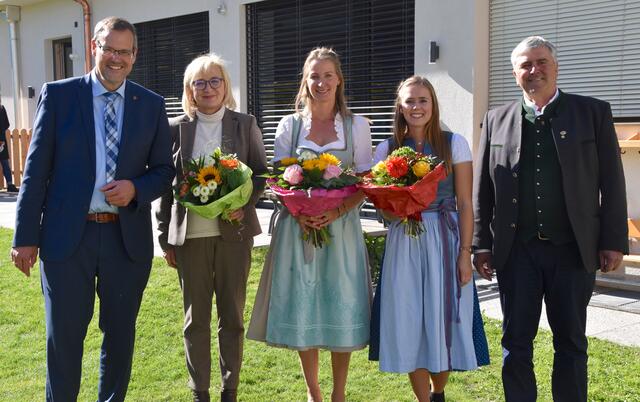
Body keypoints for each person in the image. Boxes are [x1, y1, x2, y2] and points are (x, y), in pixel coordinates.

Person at [10, 17, 174, 401]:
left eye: (124, 51)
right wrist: (24, 236)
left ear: (134, 56)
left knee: (120, 338)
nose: (116, 58)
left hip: (125, 240)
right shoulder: (60, 95)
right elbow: (35, 172)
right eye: (109, 49)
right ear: (94, 48)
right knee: (63, 339)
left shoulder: (150, 105)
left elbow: (165, 171)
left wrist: (135, 188)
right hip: (68, 240)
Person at [473, 36, 628, 402]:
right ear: (515, 74)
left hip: (572, 250)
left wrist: (612, 240)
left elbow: (613, 182)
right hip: (517, 253)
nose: (534, 70)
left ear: (555, 67)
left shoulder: (593, 112)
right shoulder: (497, 119)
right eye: (525, 65)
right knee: (515, 344)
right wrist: (481, 245)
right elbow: (483, 188)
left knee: (571, 343)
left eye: (541, 62)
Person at [247, 47, 372, 402]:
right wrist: (301, 212)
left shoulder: (357, 125)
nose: (321, 82)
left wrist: (333, 212)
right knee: (306, 304)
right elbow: (279, 181)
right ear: (305, 80)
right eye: (314, 76)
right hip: (297, 228)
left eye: (327, 75)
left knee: (340, 303)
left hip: (342, 227)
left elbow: (364, 181)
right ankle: (313, 392)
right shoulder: (290, 125)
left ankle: (338, 394)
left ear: (339, 79)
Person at [156, 53, 268, 402]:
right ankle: (199, 392)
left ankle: (229, 390)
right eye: (199, 83)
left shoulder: (244, 123)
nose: (208, 89)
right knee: (195, 320)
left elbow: (261, 175)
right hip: (190, 238)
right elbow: (164, 186)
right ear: (190, 90)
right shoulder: (175, 128)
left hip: (234, 237)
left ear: (225, 86)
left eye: (214, 81)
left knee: (232, 317)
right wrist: (165, 238)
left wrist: (243, 206)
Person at [369, 76, 485, 402]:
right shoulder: (387, 148)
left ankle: (439, 392)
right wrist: (396, 209)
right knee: (409, 319)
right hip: (403, 239)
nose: (416, 107)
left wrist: (465, 253)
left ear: (433, 104)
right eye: (409, 101)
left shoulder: (454, 143)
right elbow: (383, 207)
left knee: (444, 317)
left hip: (444, 238)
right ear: (400, 107)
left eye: (423, 100)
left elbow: (465, 203)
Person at [0, 103, 18, 193]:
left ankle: (10, 184)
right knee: (5, 163)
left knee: (5, 163)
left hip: (1, 140)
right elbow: (6, 124)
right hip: (1, 139)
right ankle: (10, 184)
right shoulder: (2, 108)